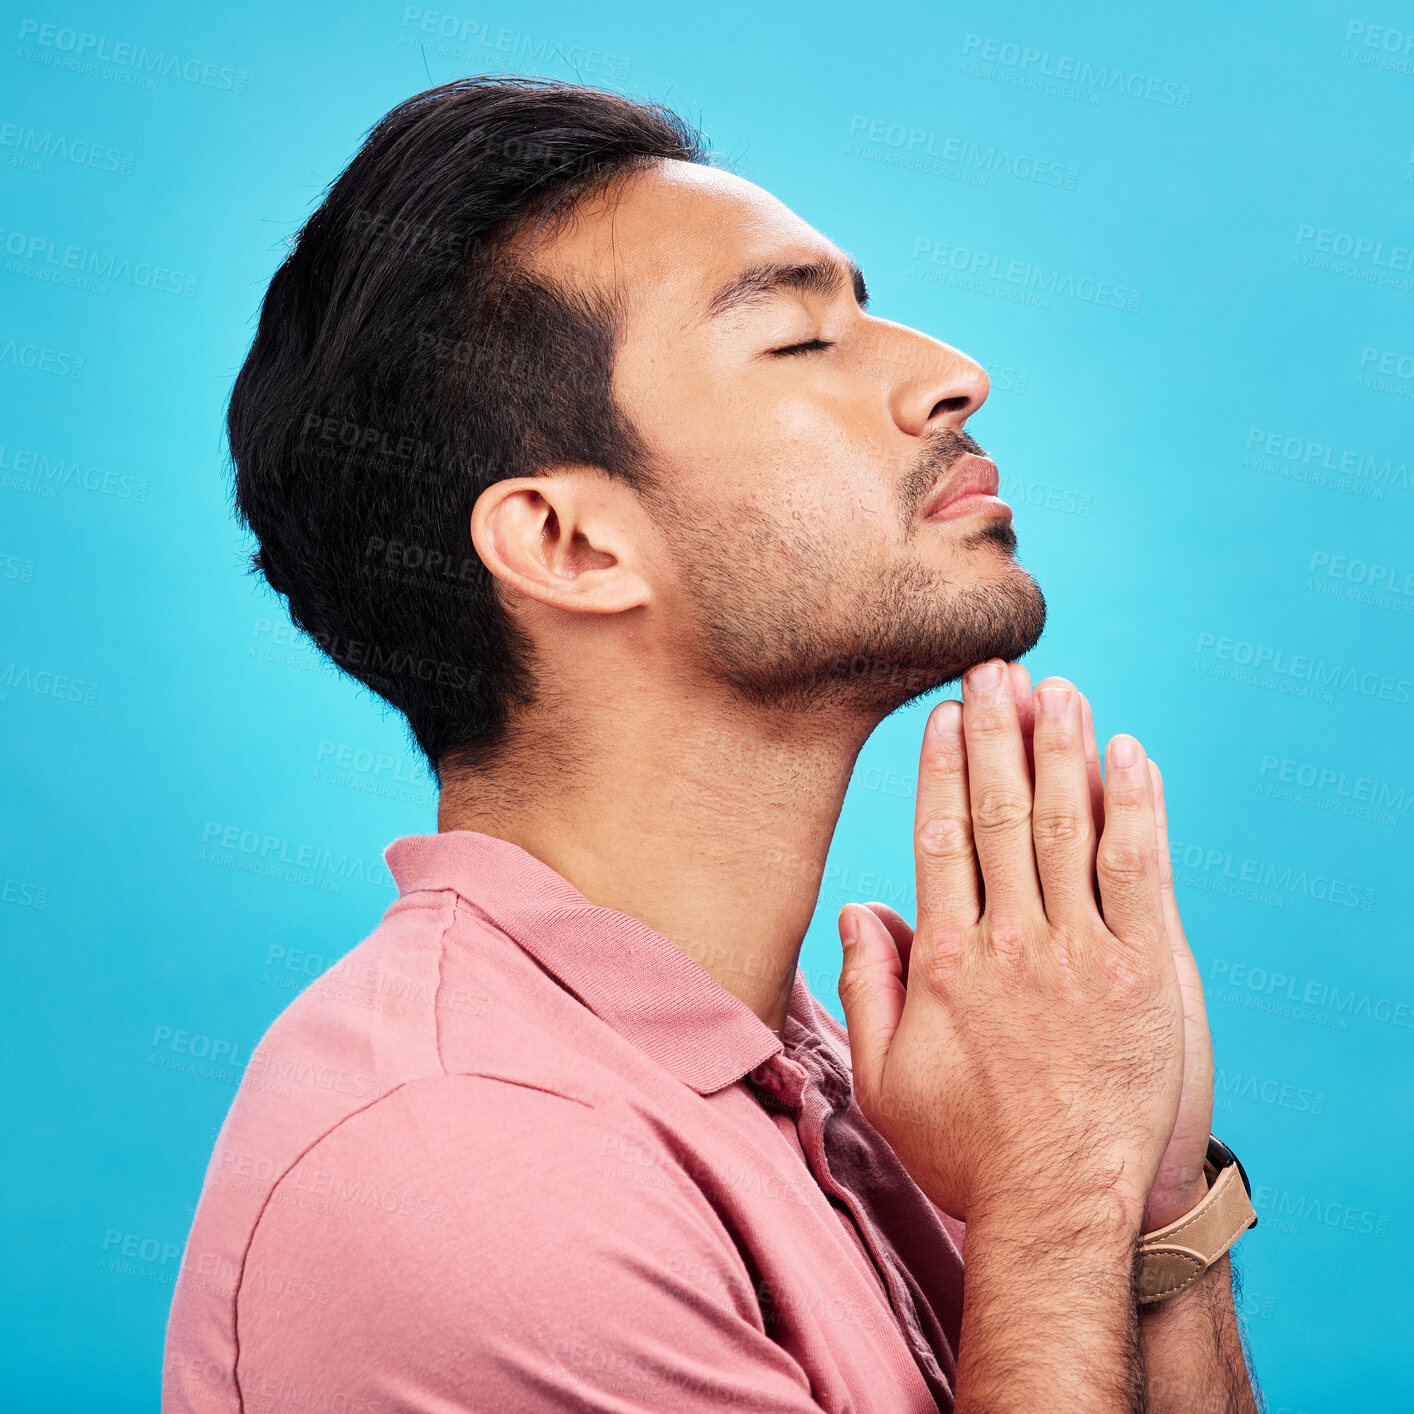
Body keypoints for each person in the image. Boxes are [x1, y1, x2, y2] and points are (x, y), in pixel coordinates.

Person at [163, 75, 1261, 1412]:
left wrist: (1148, 1192)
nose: (948, 373)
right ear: (569, 542)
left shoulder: (875, 1087)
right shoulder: (463, 1163)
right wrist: (1051, 1199)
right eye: (797, 337)